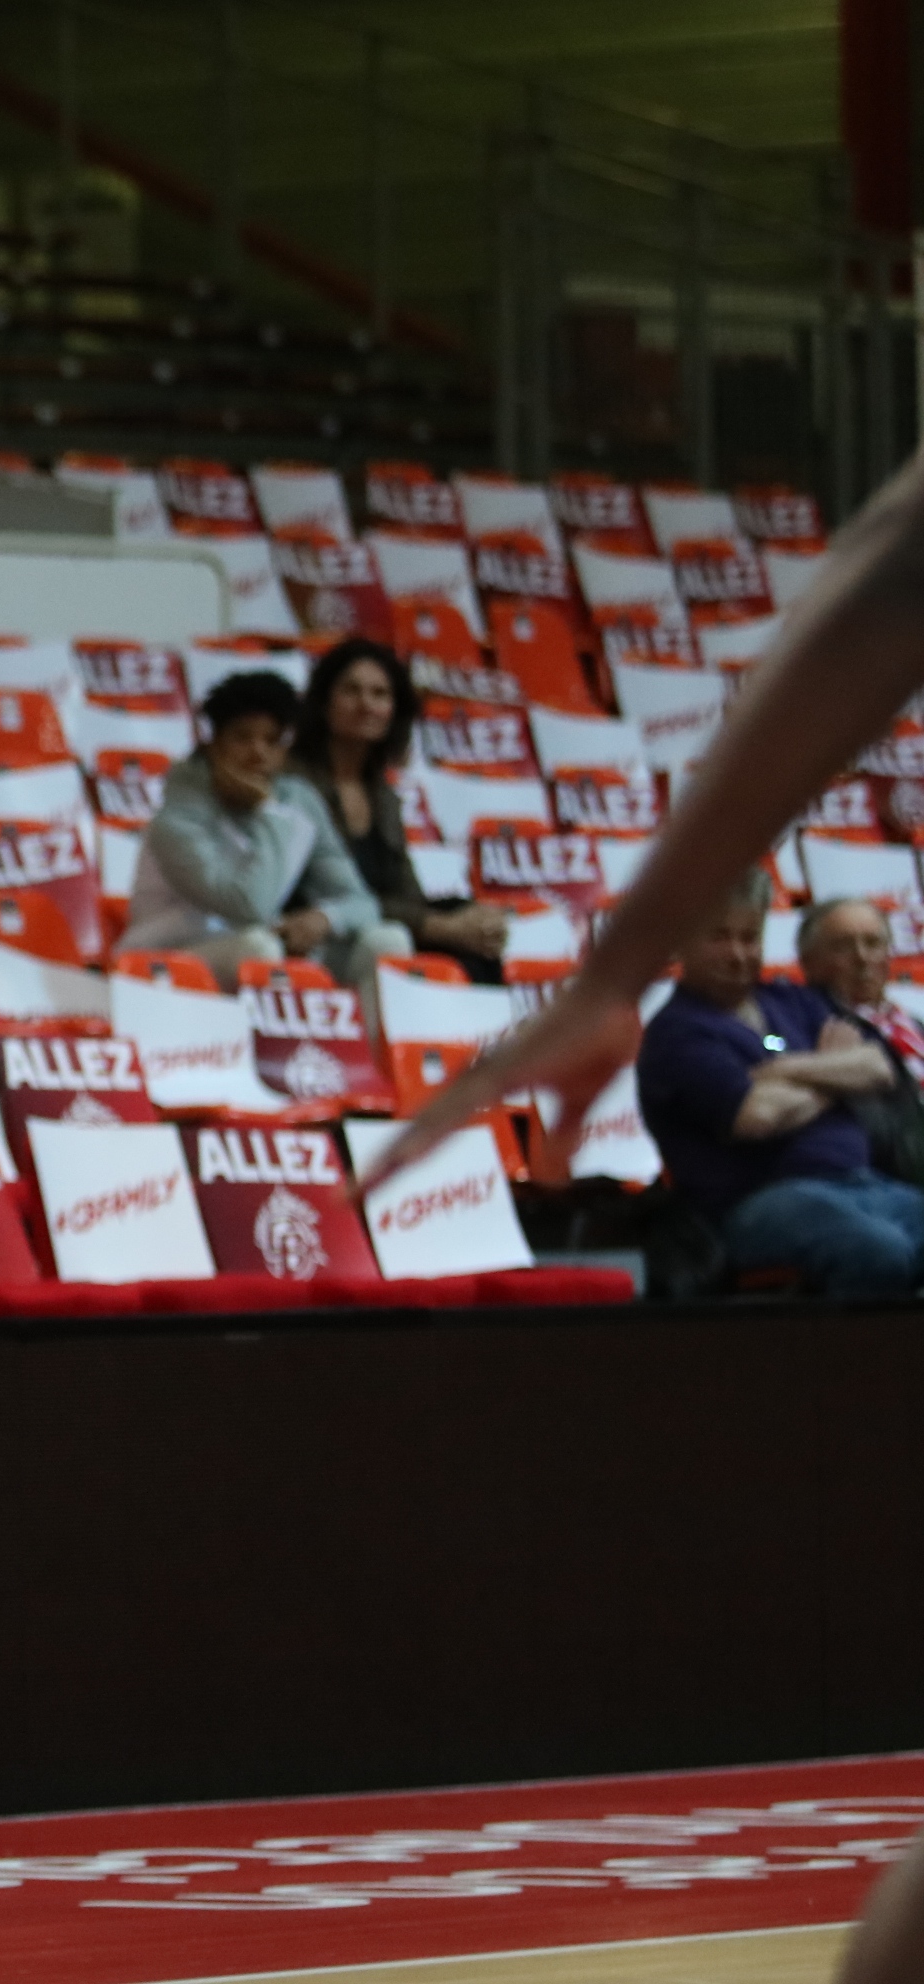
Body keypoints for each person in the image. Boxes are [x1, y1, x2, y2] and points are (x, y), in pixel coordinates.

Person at [367, 449, 924, 1984]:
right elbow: (900, 558)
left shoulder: (794, 1012)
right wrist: (622, 972)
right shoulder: (720, 1029)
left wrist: (622, 966)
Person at [634, 869, 917, 1293]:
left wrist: (783, 1070)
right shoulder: (678, 1032)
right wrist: (832, 1071)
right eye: (720, 937)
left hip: (862, 1182)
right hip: (758, 1203)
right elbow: (757, 1116)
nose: (738, 953)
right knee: (881, 1251)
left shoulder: (790, 1000)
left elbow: (876, 1067)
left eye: (749, 938)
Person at [118, 668, 414, 985]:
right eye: (243, 737)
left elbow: (362, 902)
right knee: (259, 950)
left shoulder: (298, 801)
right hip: (162, 957)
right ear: (213, 744)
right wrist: (266, 811)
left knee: (388, 940)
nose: (258, 752)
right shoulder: (177, 818)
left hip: (257, 943)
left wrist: (325, 919)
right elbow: (250, 906)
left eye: (272, 740)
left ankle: (371, 1036)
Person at [290, 637, 512, 981]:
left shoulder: (383, 793)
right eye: (352, 690)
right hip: (326, 926)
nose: (366, 704)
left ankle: (485, 1034)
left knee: (471, 925)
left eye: (380, 694)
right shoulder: (296, 783)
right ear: (323, 702)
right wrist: (441, 928)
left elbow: (406, 891)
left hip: (384, 918)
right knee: (424, 935)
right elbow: (336, 894)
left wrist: (460, 922)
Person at [795, 895, 924, 1184]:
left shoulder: (914, 1024)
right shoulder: (810, 1032)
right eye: (843, 946)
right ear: (808, 962)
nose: (863, 958)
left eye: (873, 943)